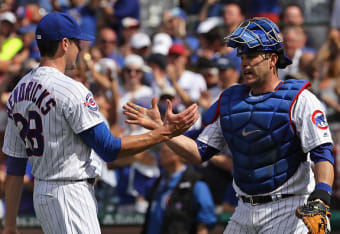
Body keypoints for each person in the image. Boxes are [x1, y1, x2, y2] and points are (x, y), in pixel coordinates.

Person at [123, 17, 335, 233]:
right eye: (242, 56)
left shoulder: (300, 99)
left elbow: (322, 152)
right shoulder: (231, 100)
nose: (245, 62)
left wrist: (321, 195)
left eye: (251, 55)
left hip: (290, 206)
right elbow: (199, 152)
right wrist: (163, 132)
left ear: (272, 59)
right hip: (244, 208)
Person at [1, 12, 199, 234]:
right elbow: (109, 149)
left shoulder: (19, 89)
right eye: (77, 42)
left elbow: (16, 165)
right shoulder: (71, 89)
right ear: (65, 44)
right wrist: (164, 133)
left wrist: (10, 224)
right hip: (70, 193)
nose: (80, 49)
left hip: (44, 194)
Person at [141, 143, 216, 234]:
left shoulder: (196, 183)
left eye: (164, 152)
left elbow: (204, 223)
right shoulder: (159, 182)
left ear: (177, 154)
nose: (160, 155)